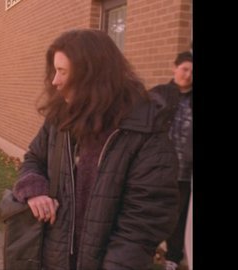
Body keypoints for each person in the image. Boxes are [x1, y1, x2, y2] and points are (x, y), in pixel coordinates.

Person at [10, 29, 180, 269]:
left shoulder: (144, 131)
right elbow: (34, 159)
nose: (54, 81)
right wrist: (35, 188)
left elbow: (145, 220)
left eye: (63, 72)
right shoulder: (60, 118)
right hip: (55, 259)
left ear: (92, 75)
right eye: (54, 71)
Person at [149, 51, 193, 270]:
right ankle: (144, 251)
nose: (188, 75)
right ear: (174, 68)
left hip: (185, 174)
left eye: (192, 71)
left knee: (178, 218)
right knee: (152, 212)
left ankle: (172, 259)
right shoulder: (159, 96)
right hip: (159, 171)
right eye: (184, 69)